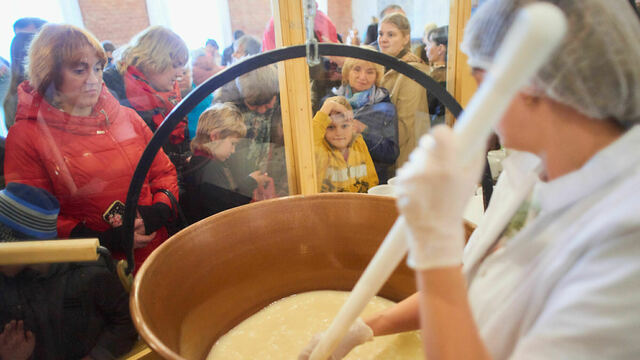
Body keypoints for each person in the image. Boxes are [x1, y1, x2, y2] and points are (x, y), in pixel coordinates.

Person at [300, 0, 640, 359]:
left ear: (533, 88)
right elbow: (471, 281)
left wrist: (436, 243)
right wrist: (369, 326)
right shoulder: (532, 166)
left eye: (483, 85)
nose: (481, 106)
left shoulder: (625, 248)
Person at [4, 24, 179, 271]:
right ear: (48, 74)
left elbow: (163, 172)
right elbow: (36, 221)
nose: (94, 80)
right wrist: (101, 241)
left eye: (97, 68)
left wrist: (159, 210)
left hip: (155, 252)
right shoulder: (27, 136)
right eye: (79, 70)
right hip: (94, 271)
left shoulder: (127, 117)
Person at [0, 182, 137, 359]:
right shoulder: (5, 284)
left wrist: (98, 356)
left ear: (29, 248)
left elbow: (128, 320)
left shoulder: (89, 273)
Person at [102, 26, 190, 180]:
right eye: (175, 65)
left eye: (182, 66)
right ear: (153, 60)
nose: (181, 73)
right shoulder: (111, 87)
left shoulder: (169, 94)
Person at [182, 103, 268, 223]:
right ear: (215, 137)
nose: (233, 151)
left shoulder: (202, 160)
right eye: (232, 143)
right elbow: (226, 209)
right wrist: (251, 182)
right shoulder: (209, 168)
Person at [213, 65, 287, 197]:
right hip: (239, 177)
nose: (261, 110)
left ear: (276, 93)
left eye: (267, 104)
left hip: (275, 167)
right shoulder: (226, 107)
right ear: (242, 95)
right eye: (253, 104)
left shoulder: (286, 101)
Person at [332, 53, 399, 183]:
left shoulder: (386, 108)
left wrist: (364, 132)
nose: (363, 77)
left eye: (370, 72)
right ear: (347, 73)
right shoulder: (330, 103)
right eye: (357, 69)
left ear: (377, 77)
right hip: (335, 182)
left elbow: (391, 155)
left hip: (369, 184)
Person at [378, 13, 430, 169]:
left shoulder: (410, 73)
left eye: (391, 34)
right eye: (381, 34)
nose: (383, 39)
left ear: (406, 38)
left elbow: (405, 125)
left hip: (403, 158)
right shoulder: (388, 65)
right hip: (389, 152)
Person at [314, 96, 378, 193]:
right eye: (331, 127)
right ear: (323, 129)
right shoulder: (320, 148)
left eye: (344, 126)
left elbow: (372, 180)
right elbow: (308, 138)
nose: (339, 132)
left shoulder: (358, 142)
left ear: (352, 125)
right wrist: (329, 106)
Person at [186, 48, 223, 139]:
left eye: (208, 68)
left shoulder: (210, 91)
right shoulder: (188, 90)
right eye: (197, 65)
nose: (208, 73)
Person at [425, 25, 448, 126]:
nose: (426, 48)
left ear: (440, 49)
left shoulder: (438, 77)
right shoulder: (446, 73)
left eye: (429, 44)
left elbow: (427, 109)